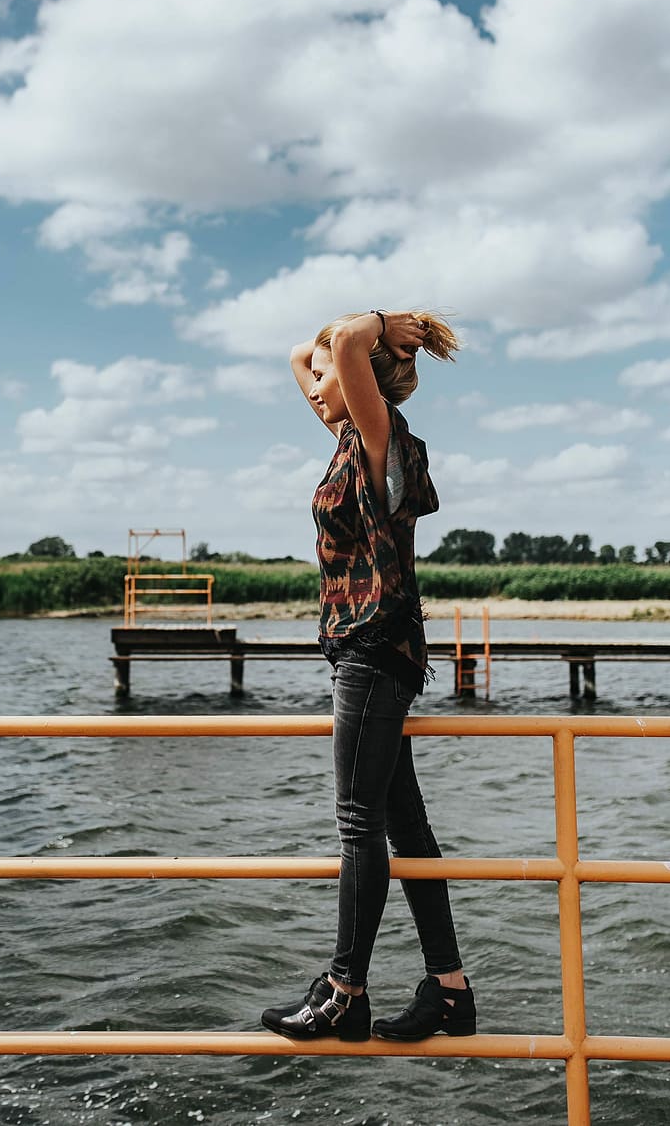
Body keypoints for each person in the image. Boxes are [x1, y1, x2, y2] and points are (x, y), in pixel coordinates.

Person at [260, 308, 476, 1043]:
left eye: (329, 377)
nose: (314, 385)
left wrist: (385, 325)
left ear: (360, 384)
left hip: (373, 647)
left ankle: (345, 990)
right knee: (404, 821)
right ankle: (449, 990)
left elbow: (344, 345)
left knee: (359, 824)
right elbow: (300, 353)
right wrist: (328, 353)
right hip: (374, 648)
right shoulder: (358, 438)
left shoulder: (380, 434)